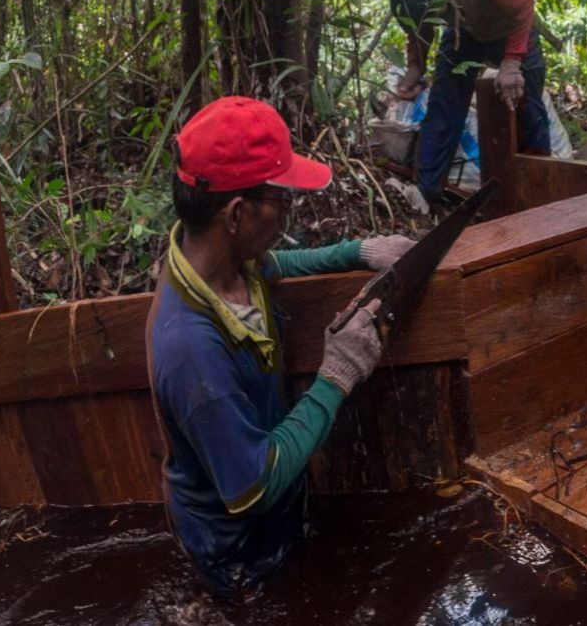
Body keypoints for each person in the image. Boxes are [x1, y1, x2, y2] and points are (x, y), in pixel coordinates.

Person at [147, 96, 416, 596]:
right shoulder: (190, 350)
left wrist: (355, 252)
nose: (287, 217)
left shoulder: (215, 261)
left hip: (280, 522)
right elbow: (251, 487)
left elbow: (275, 268)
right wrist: (337, 376)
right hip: (242, 557)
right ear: (236, 213)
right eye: (282, 202)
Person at [390, 0, 551, 207]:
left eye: (438, 13)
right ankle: (426, 192)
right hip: (462, 32)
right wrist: (415, 67)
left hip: (509, 27)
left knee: (527, 105)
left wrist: (511, 63)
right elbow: (418, 28)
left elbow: (523, 4)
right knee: (444, 104)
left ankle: (539, 193)